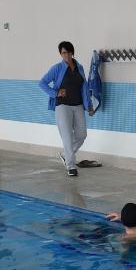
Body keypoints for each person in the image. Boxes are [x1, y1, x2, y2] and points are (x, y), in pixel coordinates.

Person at [38, 41, 95, 177]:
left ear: (72, 52)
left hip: (78, 105)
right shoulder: (57, 68)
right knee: (67, 136)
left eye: (68, 52)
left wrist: (89, 106)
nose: (66, 55)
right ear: (60, 54)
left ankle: (65, 154)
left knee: (82, 135)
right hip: (62, 106)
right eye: (63, 53)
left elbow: (84, 88)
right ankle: (71, 166)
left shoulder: (79, 67)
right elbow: (42, 83)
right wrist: (55, 93)